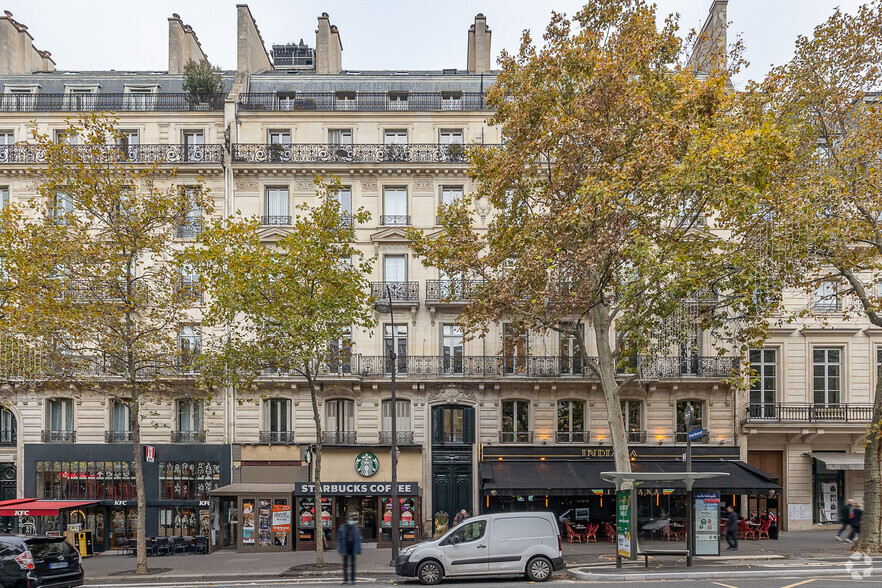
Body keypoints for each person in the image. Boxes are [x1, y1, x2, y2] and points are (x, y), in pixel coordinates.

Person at [337, 514, 362, 585]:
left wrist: (358, 550)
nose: (350, 521)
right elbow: (340, 540)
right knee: (345, 565)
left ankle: (352, 580)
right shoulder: (342, 528)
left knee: (353, 565)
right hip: (345, 548)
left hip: (353, 548)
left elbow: (358, 540)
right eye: (349, 519)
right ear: (347, 520)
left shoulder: (355, 528)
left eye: (352, 520)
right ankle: (345, 580)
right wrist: (340, 551)